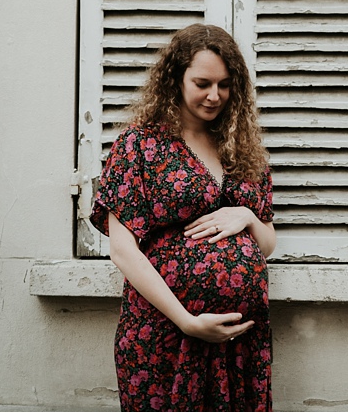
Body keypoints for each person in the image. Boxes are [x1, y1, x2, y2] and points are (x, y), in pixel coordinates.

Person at [90, 24, 276, 411]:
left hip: (238, 340)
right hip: (165, 332)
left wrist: (245, 215)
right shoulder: (140, 145)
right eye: (202, 82)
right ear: (175, 79)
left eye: (225, 85)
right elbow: (123, 251)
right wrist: (188, 321)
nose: (214, 95)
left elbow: (268, 241)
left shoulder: (240, 148)